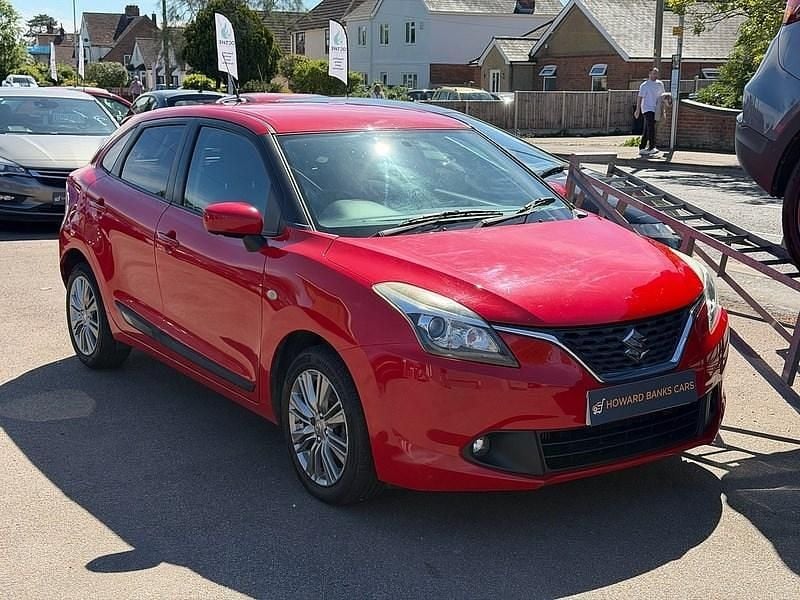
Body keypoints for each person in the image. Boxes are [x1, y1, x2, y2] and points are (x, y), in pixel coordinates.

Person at [634, 67, 666, 157]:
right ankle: (652, 147)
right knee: (651, 126)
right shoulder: (645, 85)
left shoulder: (660, 84)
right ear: (649, 74)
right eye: (653, 73)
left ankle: (642, 148)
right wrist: (637, 110)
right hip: (647, 108)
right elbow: (640, 98)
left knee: (647, 128)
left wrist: (663, 109)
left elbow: (663, 96)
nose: (655, 75)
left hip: (656, 108)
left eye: (656, 73)